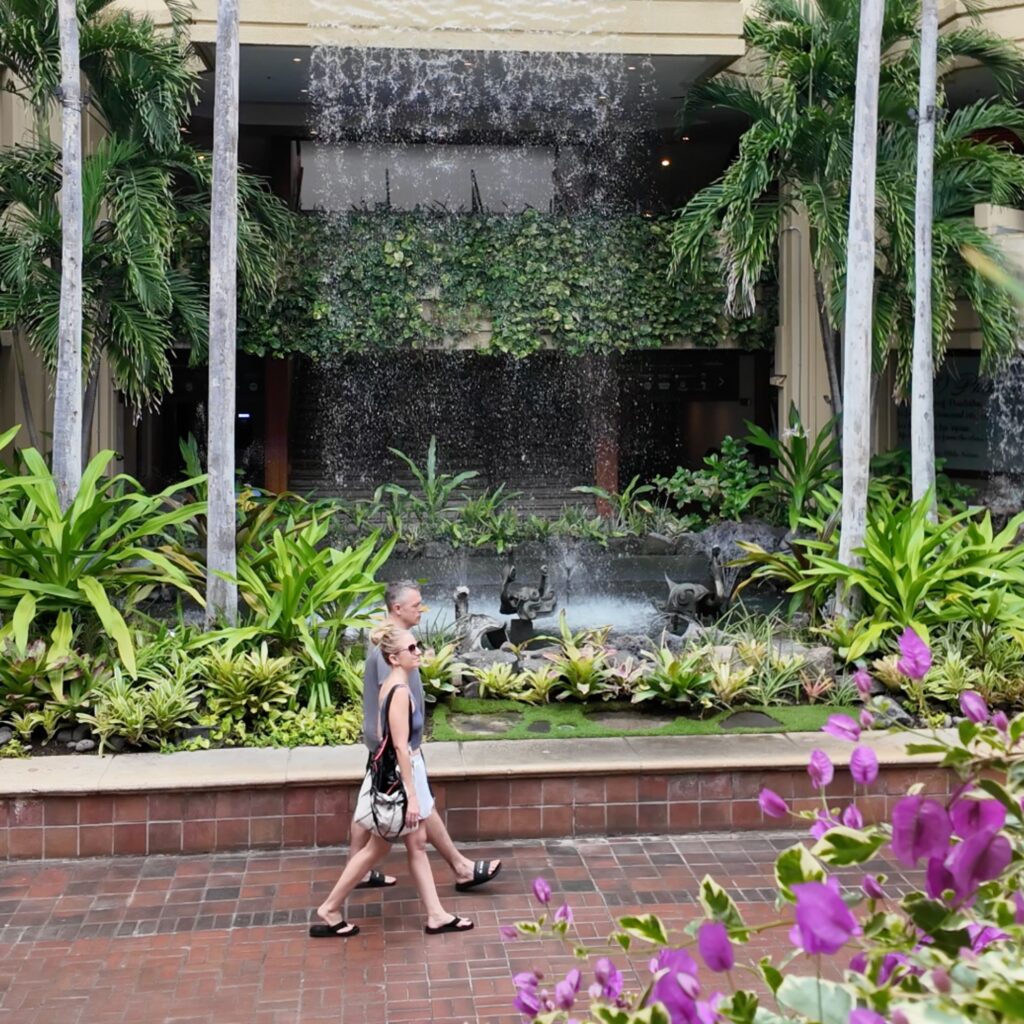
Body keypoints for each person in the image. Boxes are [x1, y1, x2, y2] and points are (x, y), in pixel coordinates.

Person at [310, 624, 473, 937]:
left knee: (415, 844)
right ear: (394, 658)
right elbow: (399, 746)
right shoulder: (398, 691)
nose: (418, 652)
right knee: (379, 849)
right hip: (402, 778)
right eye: (411, 649)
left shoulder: (396, 685)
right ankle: (330, 907)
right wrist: (411, 795)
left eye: (418, 645)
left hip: (401, 776)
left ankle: (435, 914)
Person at [350, 580, 501, 893]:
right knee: (420, 807)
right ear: (397, 608)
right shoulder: (388, 648)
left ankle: (357, 871)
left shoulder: (398, 639)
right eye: (416, 605)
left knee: (368, 804)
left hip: (391, 745)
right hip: (395, 747)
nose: (421, 609)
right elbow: (387, 698)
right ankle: (460, 868)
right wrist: (399, 746)